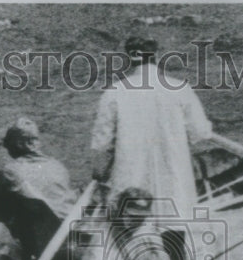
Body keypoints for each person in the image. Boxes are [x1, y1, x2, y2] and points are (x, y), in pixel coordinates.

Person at [91, 36, 214, 220]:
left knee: (132, 230)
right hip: (172, 175)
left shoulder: (113, 92)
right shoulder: (180, 88)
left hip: (131, 178)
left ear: (129, 57)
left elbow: (101, 142)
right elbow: (201, 132)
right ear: (156, 55)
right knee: (174, 228)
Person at [0, 116, 78, 260]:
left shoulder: (10, 170)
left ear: (19, 144)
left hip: (43, 240)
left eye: (9, 145)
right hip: (69, 231)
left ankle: (26, 256)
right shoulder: (57, 165)